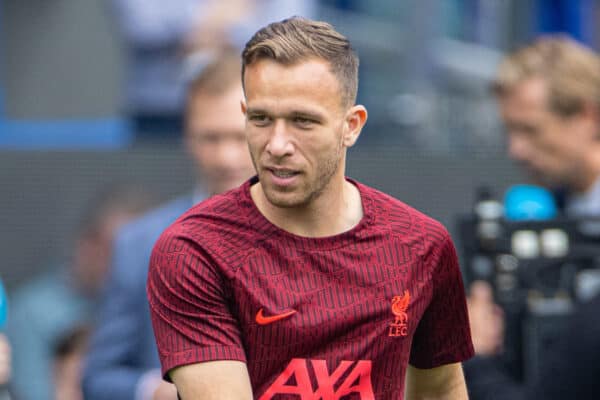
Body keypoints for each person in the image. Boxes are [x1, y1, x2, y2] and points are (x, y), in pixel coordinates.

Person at [147, 17, 474, 399]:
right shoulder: (195, 250)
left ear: (351, 125)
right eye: (261, 119)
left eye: (302, 121)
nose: (277, 144)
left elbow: (442, 390)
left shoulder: (422, 246)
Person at [81, 49, 256, 400]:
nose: (227, 156)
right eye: (211, 137)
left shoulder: (309, 232)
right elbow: (98, 377)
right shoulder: (139, 242)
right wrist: (153, 391)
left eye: (240, 137)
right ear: (187, 137)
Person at [465, 35, 600, 399]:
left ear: (588, 116)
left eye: (530, 129)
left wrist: (477, 361)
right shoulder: (546, 213)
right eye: (510, 131)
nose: (516, 149)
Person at [7, 185, 150, 400]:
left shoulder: (142, 312)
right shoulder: (32, 313)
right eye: (120, 251)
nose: (131, 265)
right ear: (87, 244)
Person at [109, 0, 316, 135]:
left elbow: (291, 33)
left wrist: (195, 32)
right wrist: (223, 12)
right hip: (161, 114)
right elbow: (143, 24)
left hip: (254, 108)